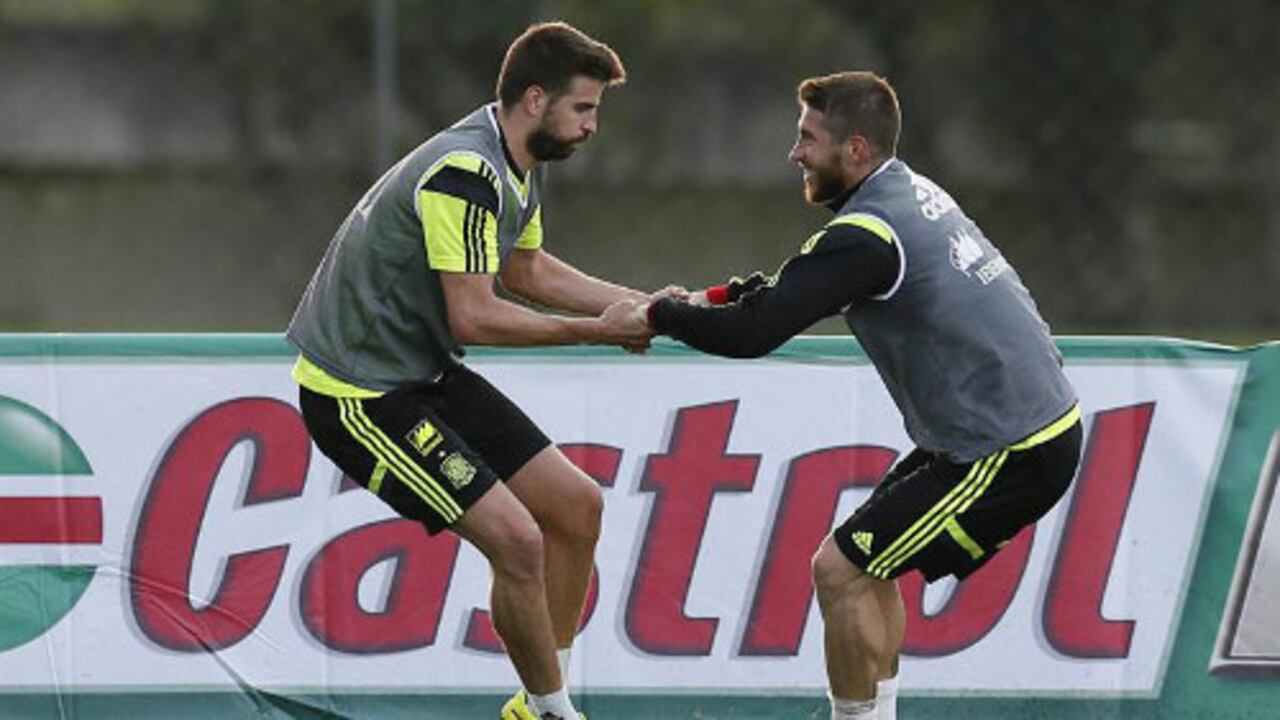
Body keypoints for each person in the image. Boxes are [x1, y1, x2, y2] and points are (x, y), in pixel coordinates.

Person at [622, 71, 1082, 720]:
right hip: (999, 433)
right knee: (864, 565)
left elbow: (755, 332)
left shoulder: (867, 235)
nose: (795, 153)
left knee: (842, 569)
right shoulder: (907, 191)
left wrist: (657, 316)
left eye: (808, 139)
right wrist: (700, 300)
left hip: (1010, 448)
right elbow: (789, 288)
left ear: (856, 148)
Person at [286, 22, 660, 720]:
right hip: (359, 395)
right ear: (535, 99)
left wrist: (651, 307)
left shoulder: (515, 162)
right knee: (517, 540)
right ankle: (553, 713)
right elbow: (475, 317)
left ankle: (537, 702)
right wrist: (597, 332)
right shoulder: (465, 172)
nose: (591, 126)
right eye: (583, 108)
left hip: (423, 375)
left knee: (576, 508)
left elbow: (528, 270)